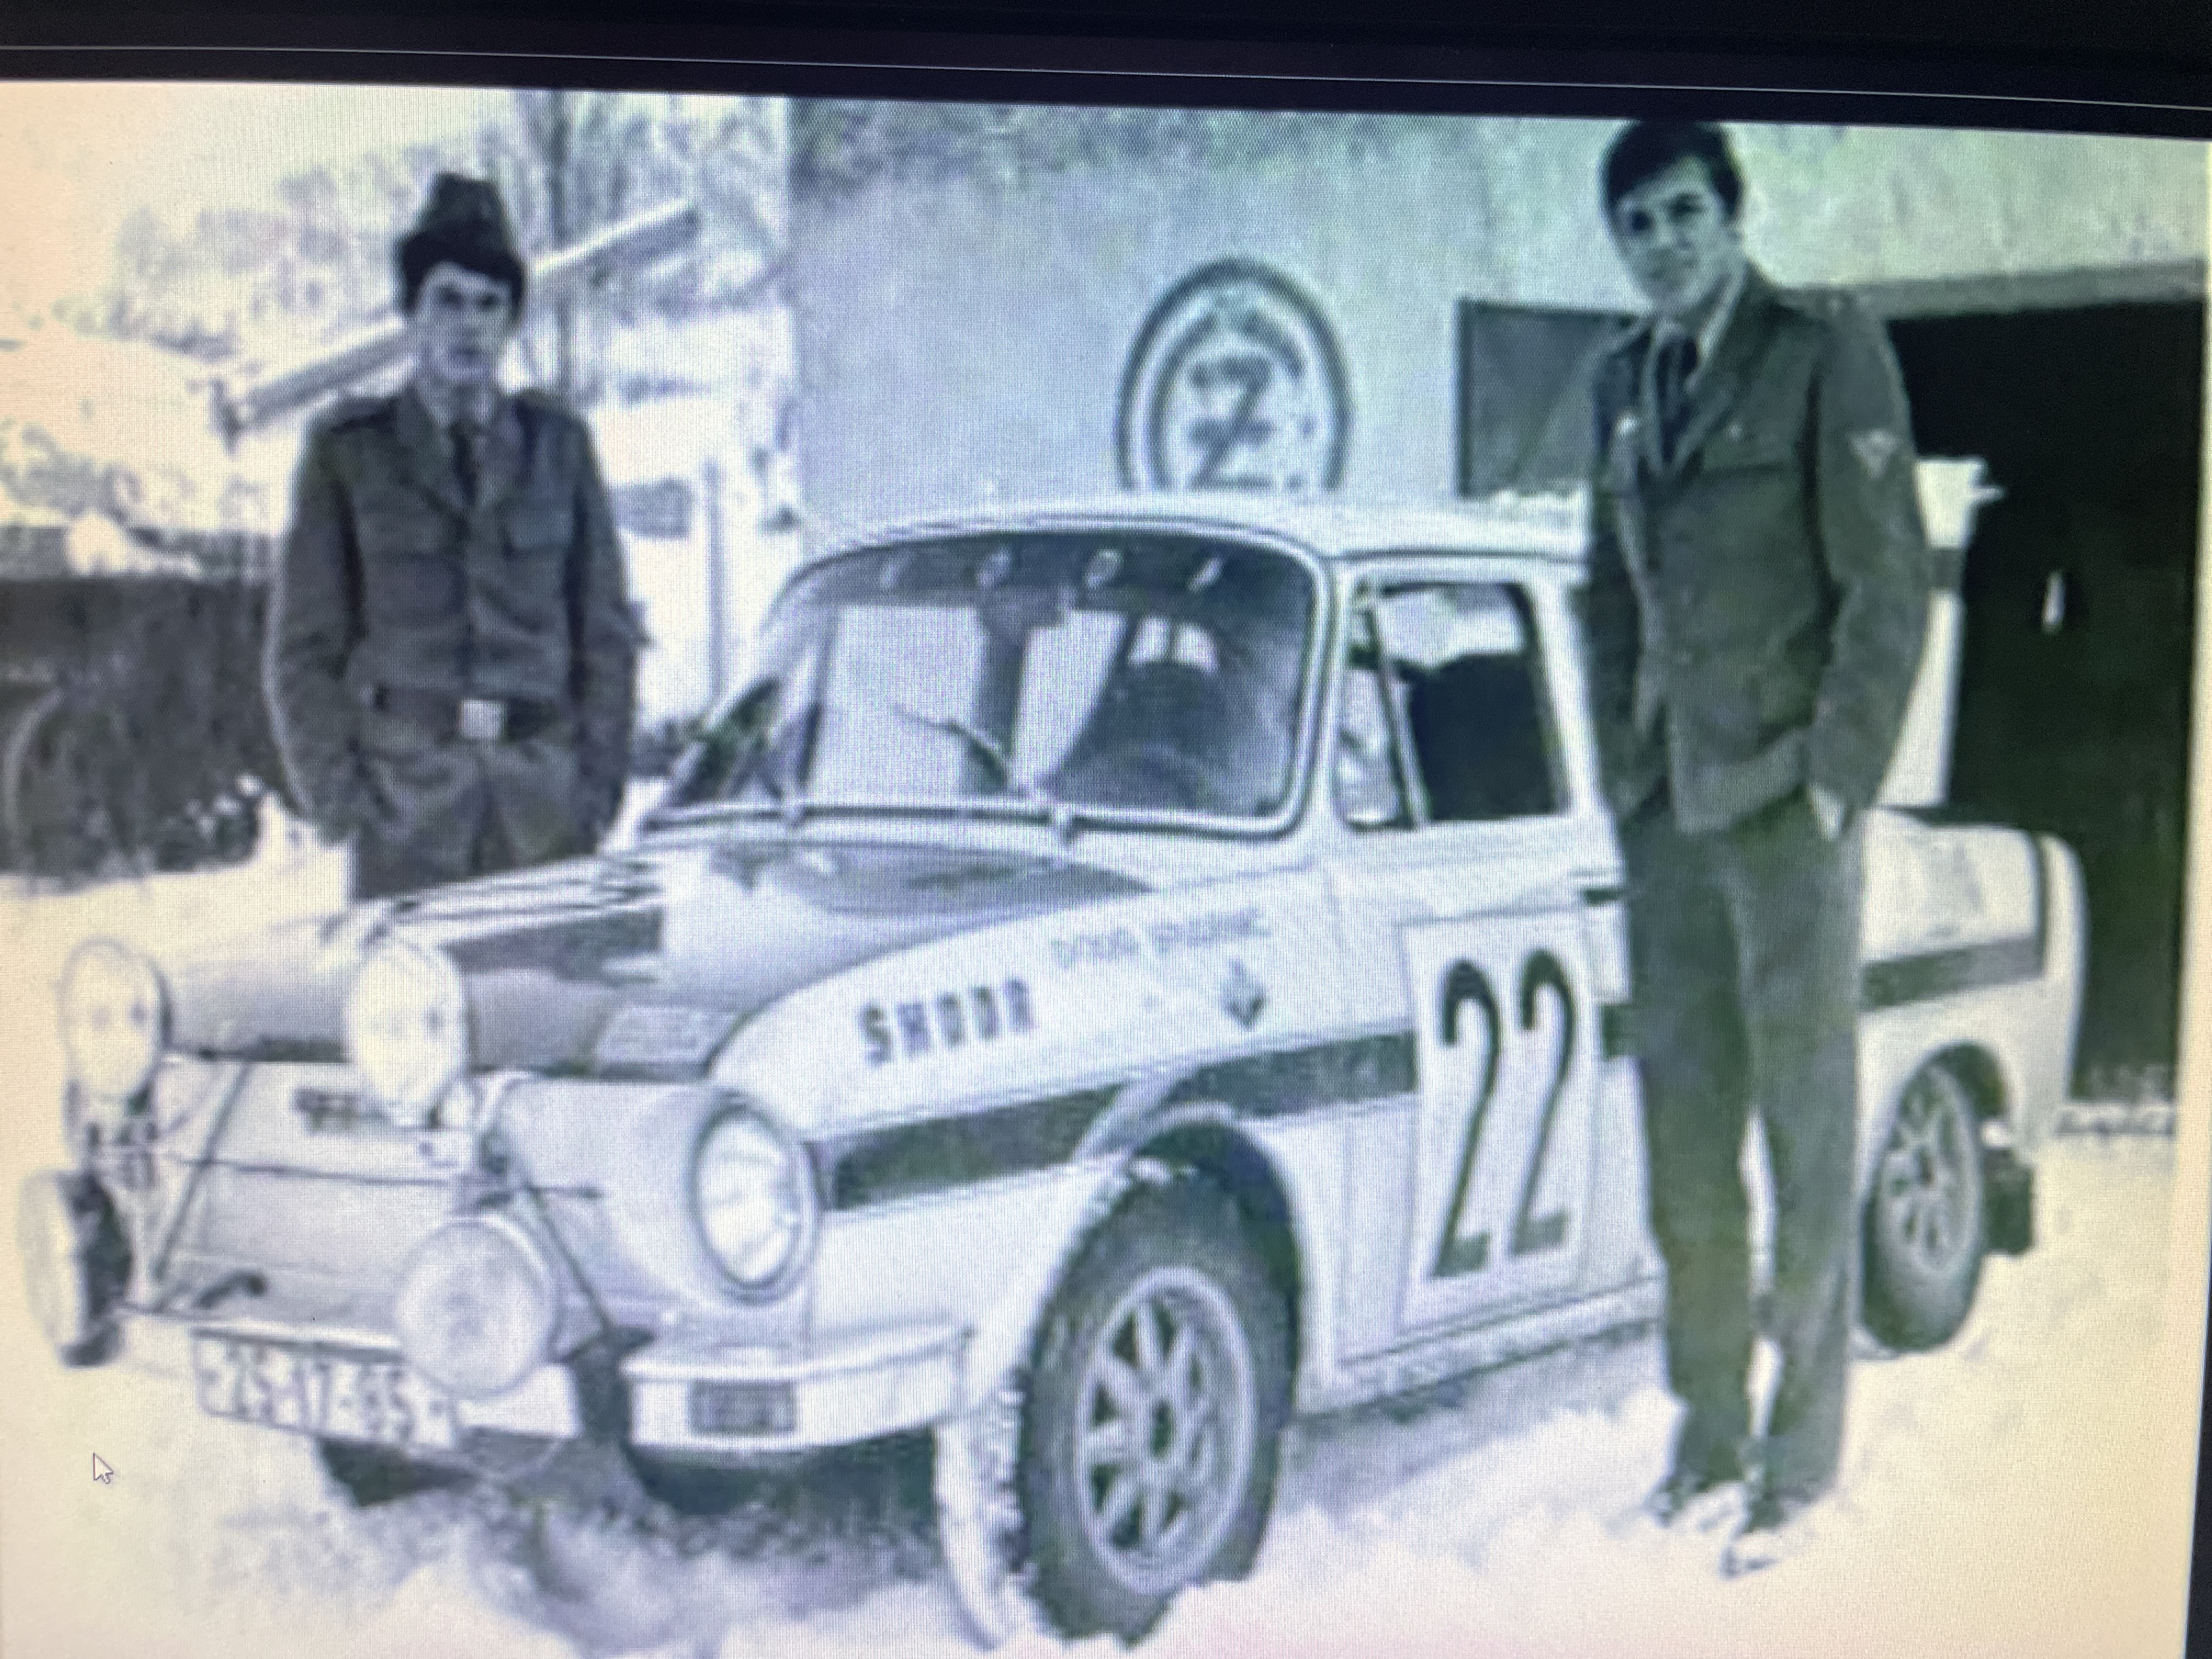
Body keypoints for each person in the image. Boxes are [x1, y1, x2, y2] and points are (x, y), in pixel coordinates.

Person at [1581, 121, 1930, 1571]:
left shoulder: (1822, 352)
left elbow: (1887, 585)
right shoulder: (1621, 381)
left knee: (1804, 1136)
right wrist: (1623, 773)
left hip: (1784, 805)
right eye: (1637, 224)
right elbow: (1605, 596)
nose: (1662, 244)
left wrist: (1837, 784)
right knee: (1686, 1148)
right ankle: (1709, 1432)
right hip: (1668, 812)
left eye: (1682, 213)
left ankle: (1800, 1461)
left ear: (1731, 217)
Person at [266, 173, 639, 900]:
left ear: (511, 321)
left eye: (489, 304)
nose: (469, 325)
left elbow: (607, 640)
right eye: (448, 300)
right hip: (407, 818)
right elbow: (302, 654)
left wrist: (595, 796)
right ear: (411, 313)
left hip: (544, 819)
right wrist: (344, 809)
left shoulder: (558, 448)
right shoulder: (351, 454)